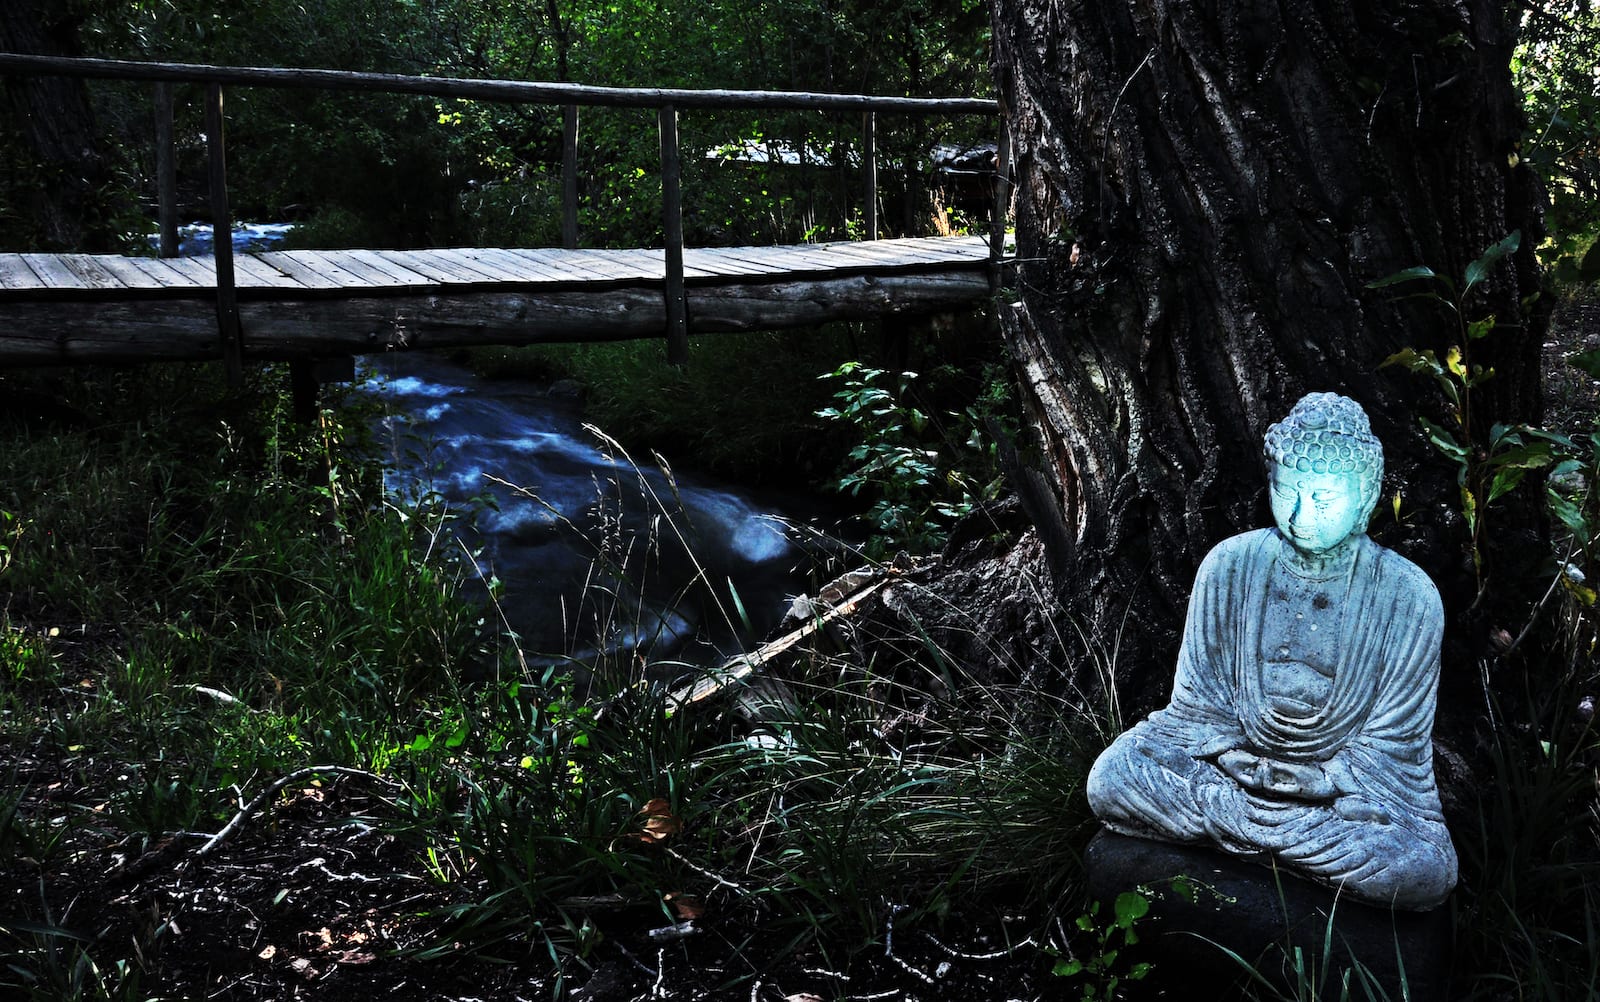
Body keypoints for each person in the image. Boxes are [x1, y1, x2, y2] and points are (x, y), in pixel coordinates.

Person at [1085, 392, 1457, 910]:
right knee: (1111, 778)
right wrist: (1235, 762)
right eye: (1287, 493)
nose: (1302, 515)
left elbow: (1393, 750)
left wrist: (1321, 779)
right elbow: (1196, 710)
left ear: (1366, 497)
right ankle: (1268, 838)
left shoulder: (1408, 597)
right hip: (1230, 772)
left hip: (1334, 792)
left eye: (1324, 500)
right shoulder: (1230, 566)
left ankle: (1243, 833)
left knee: (1419, 870)